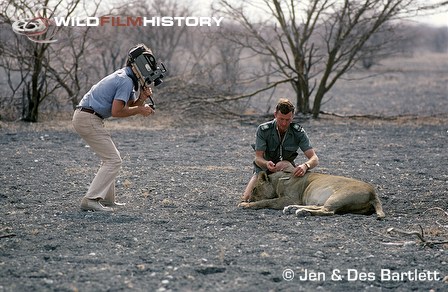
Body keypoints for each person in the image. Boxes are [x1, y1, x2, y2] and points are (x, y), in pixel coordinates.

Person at [72, 43, 155, 212]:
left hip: (88, 116)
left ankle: (108, 200)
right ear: (135, 64)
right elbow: (117, 111)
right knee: (113, 160)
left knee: (110, 158)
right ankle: (91, 199)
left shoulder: (127, 78)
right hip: (88, 117)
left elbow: (128, 104)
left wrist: (141, 98)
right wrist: (140, 109)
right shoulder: (125, 80)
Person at [241, 98, 319, 202]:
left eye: (287, 120)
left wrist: (305, 166)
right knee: (247, 199)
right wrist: (266, 163)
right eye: (281, 119)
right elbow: (258, 158)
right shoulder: (264, 130)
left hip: (286, 169)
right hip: (265, 171)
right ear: (275, 115)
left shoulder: (298, 131)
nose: (283, 123)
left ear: (292, 117)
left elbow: (314, 158)